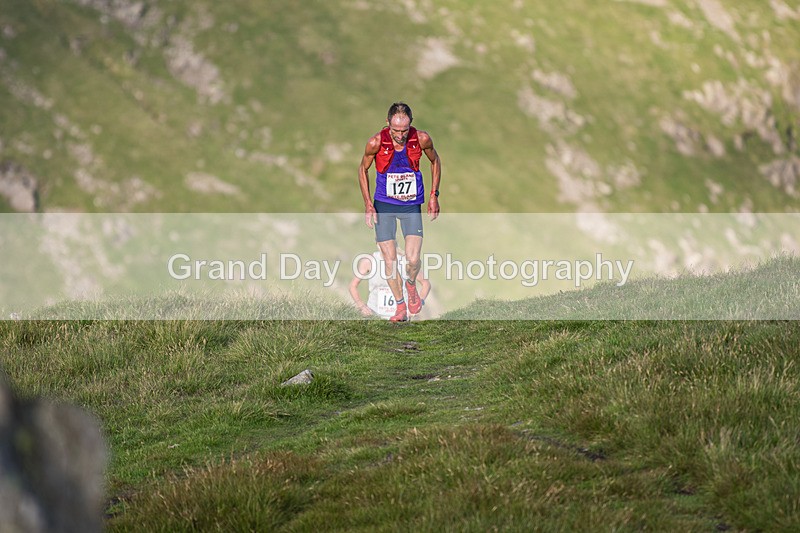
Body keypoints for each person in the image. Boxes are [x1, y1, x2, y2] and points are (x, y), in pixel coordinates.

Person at [357, 102, 441, 322]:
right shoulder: (375, 142)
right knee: (390, 260)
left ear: (410, 125)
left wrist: (434, 195)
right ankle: (400, 306)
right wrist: (368, 203)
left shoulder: (421, 139)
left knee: (413, 259)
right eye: (395, 131)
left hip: (411, 204)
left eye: (404, 130)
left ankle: (410, 285)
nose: (400, 136)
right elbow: (362, 169)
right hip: (384, 204)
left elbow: (435, 160)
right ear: (388, 124)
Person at [348, 247, 432, 320]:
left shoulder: (405, 261)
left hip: (401, 317)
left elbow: (426, 284)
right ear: (378, 243)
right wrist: (361, 306)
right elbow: (352, 286)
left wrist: (418, 304)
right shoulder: (369, 261)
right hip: (374, 315)